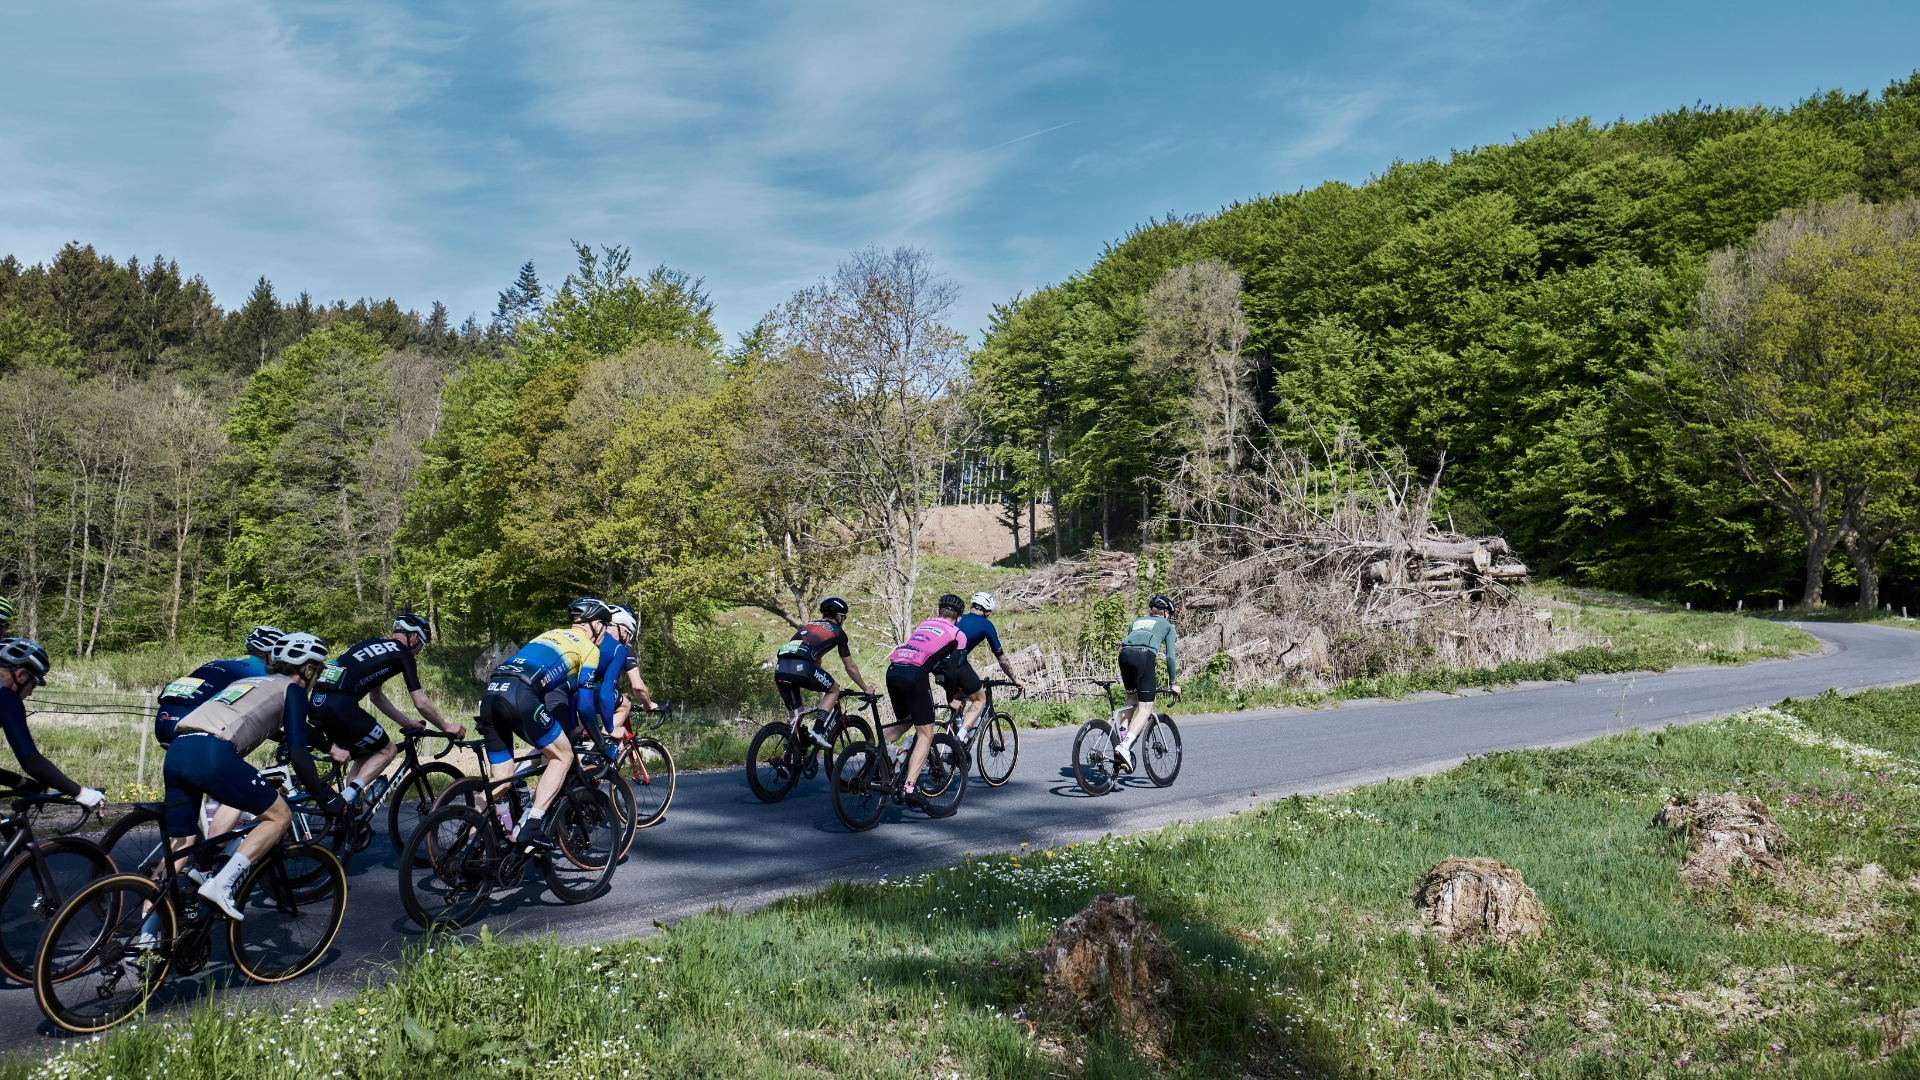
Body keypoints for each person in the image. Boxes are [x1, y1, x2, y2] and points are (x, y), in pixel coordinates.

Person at [161, 633, 337, 920]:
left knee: (179, 847)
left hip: (179, 748)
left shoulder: (249, 681)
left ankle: (144, 936)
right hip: (211, 752)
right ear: (308, 669)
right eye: (317, 671)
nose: (316, 678)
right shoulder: (293, 690)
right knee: (279, 817)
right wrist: (322, 796)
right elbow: (297, 749)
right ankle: (222, 885)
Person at [477, 598, 610, 851]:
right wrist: (601, 742)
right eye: (605, 625)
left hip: (492, 693)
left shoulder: (548, 634)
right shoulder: (590, 649)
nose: (605, 633)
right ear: (596, 625)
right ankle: (533, 825)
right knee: (563, 756)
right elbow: (584, 705)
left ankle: (470, 838)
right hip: (520, 696)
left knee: (502, 781)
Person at [308, 613, 465, 812]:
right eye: (421, 646)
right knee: (388, 751)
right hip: (341, 705)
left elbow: (377, 697)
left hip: (317, 704)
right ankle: (344, 799)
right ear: (414, 637)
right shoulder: (403, 654)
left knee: (363, 757)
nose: (418, 652)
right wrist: (446, 726)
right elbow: (421, 703)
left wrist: (407, 723)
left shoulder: (374, 644)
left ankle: (348, 822)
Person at [882, 594, 969, 808]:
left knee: (905, 721)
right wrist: (951, 699)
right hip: (915, 674)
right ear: (958, 618)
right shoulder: (958, 633)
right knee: (926, 733)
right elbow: (951, 672)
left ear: (938, 612)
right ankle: (909, 788)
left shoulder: (924, 624)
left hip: (893, 671)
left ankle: (878, 760)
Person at [0, 638, 106, 810]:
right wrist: (83, 794)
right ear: (20, 675)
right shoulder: (5, 696)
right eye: (33, 684)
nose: (30, 693)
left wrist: (21, 782)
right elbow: (31, 761)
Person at [152, 626, 284, 746]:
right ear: (272, 655)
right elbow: (259, 715)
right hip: (190, 730)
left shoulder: (218, 663)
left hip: (162, 724)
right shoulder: (262, 674)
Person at [774, 597, 875, 748]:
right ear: (839, 616)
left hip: (780, 668)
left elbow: (815, 660)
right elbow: (850, 667)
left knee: (795, 717)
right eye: (844, 617)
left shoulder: (808, 626)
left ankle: (787, 760)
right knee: (834, 689)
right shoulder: (838, 632)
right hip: (802, 668)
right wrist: (865, 688)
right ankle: (818, 731)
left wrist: (821, 676)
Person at [939, 592, 1028, 738]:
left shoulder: (958, 618)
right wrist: (1015, 679)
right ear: (987, 613)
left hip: (938, 665)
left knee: (961, 697)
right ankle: (960, 737)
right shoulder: (986, 624)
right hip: (957, 664)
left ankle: (953, 745)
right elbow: (1002, 659)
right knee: (979, 699)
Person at [1114, 594, 1182, 772]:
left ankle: (1122, 740)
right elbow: (1170, 656)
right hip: (1144, 657)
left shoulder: (1136, 622)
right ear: (1166, 613)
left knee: (1131, 698)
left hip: (1124, 655)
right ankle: (1125, 747)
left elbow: (1131, 643)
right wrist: (1173, 682)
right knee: (1145, 708)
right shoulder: (1167, 625)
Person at [573, 604, 658, 740]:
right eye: (629, 635)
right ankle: (598, 753)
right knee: (625, 705)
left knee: (557, 748)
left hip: (553, 688)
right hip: (579, 691)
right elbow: (637, 686)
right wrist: (648, 704)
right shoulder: (621, 647)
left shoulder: (589, 634)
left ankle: (528, 762)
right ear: (624, 632)